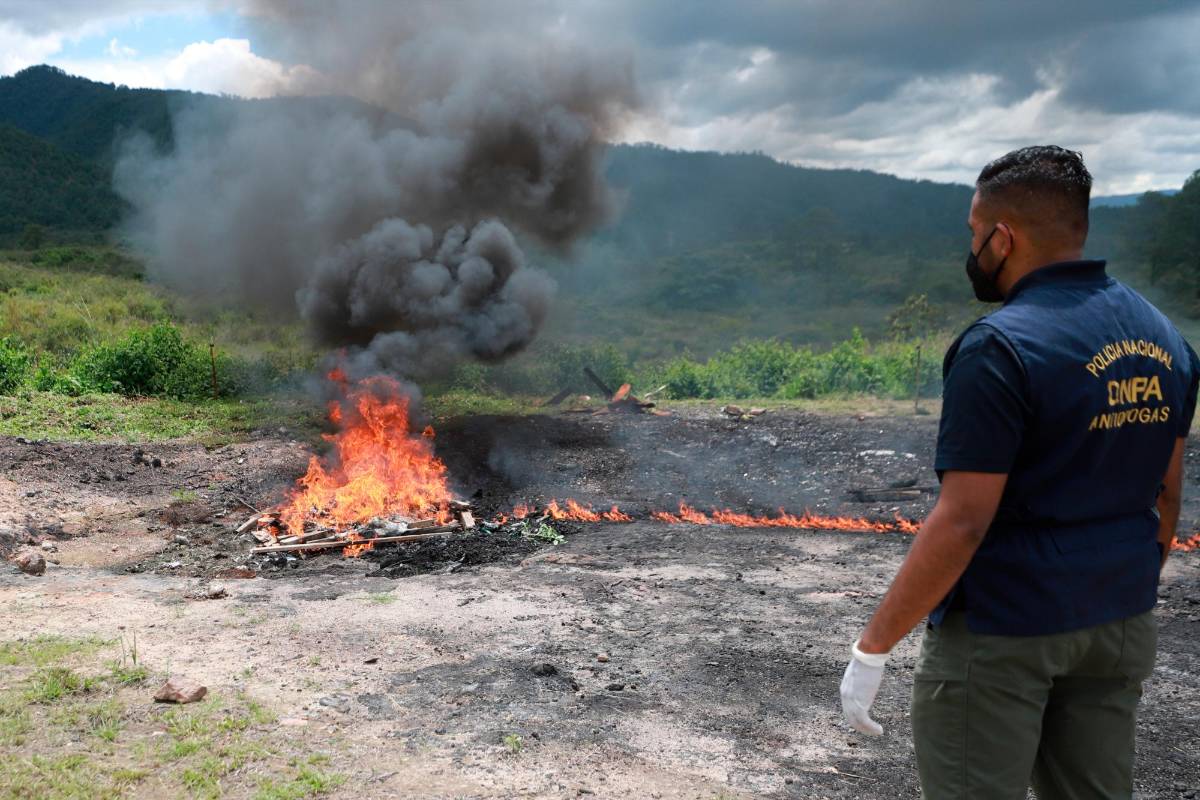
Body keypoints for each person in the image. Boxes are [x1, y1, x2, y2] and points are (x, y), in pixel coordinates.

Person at [838, 145, 1199, 799]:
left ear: (1003, 238)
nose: (973, 249)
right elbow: (1168, 492)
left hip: (1006, 630)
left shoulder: (999, 347)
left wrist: (874, 646)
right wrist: (1126, 584)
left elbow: (965, 521)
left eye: (975, 235)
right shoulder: (1165, 337)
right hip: (1118, 619)